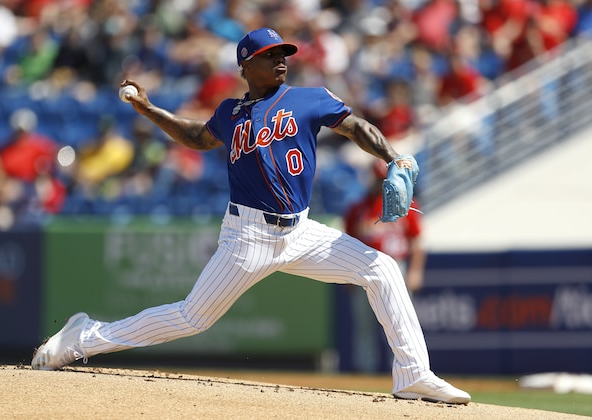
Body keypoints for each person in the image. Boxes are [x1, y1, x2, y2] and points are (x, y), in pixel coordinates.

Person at [31, 27, 470, 405]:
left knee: (383, 269)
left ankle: (413, 375)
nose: (280, 60)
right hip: (247, 236)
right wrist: (149, 110)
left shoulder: (309, 99)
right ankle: (81, 338)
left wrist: (392, 156)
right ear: (246, 65)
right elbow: (198, 138)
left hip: (301, 231)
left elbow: (355, 126)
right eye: (269, 56)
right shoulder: (230, 112)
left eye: (283, 54)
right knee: (191, 318)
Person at [340, 160, 426, 372]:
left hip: (396, 266)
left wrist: (415, 271)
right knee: (364, 324)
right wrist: (347, 274)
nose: (381, 184)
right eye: (378, 179)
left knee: (401, 322)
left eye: (384, 180)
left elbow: (417, 241)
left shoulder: (405, 204)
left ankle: (405, 370)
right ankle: (365, 371)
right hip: (364, 268)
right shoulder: (358, 208)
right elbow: (346, 242)